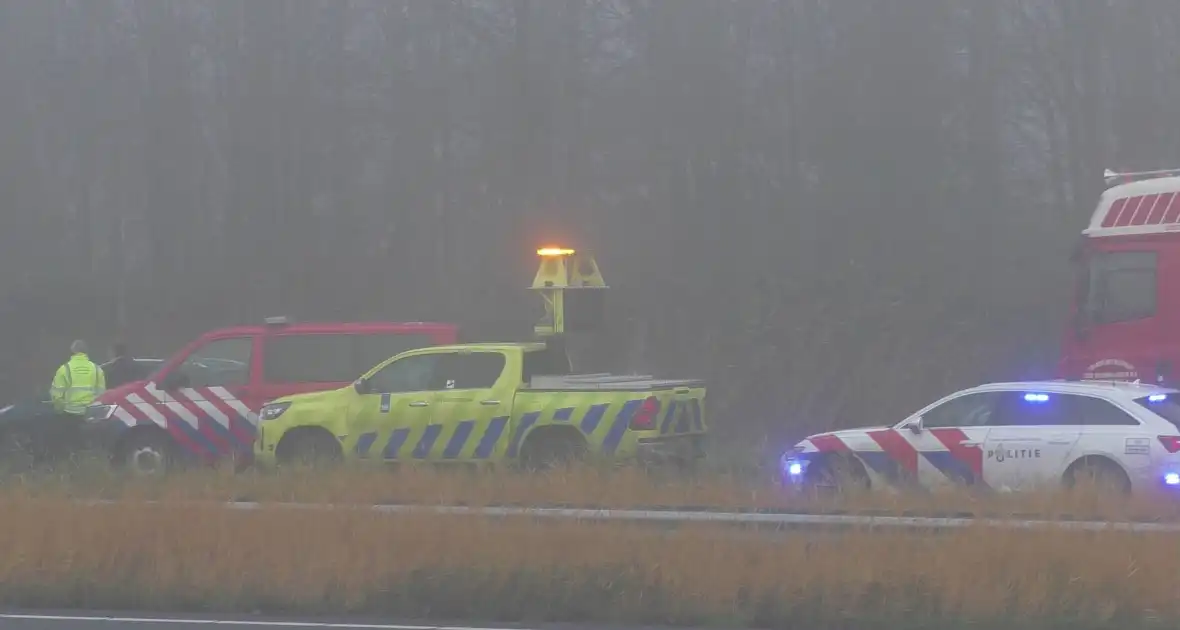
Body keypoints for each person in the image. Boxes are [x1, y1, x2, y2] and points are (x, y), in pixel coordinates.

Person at [49, 340, 106, 416]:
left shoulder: (64, 369)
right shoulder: (96, 369)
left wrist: (60, 410)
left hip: (70, 413)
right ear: (86, 352)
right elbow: (102, 394)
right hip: (91, 414)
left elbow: (56, 396)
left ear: (72, 351)